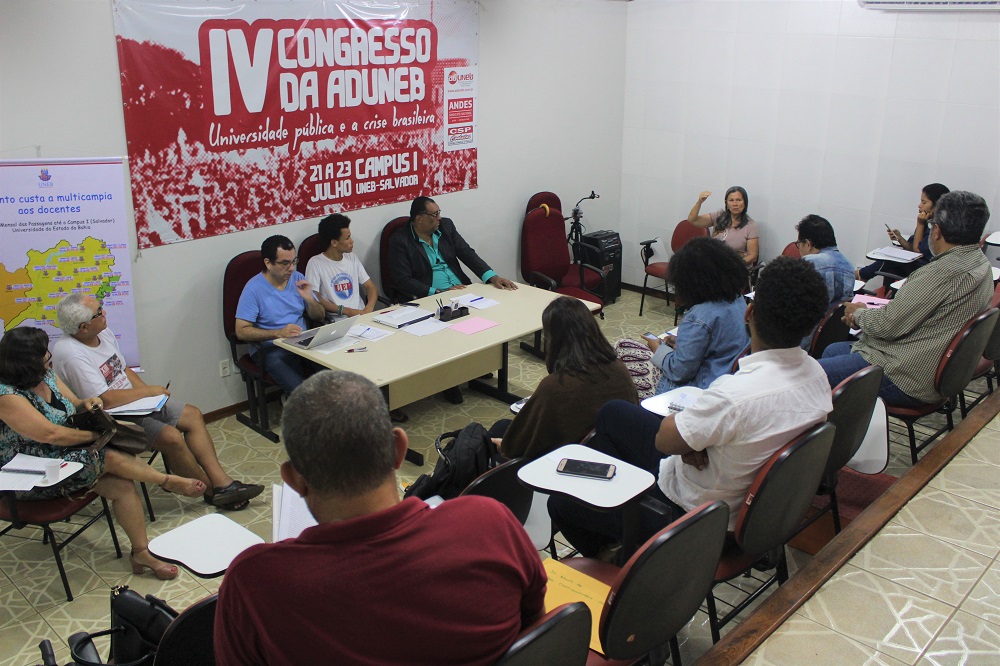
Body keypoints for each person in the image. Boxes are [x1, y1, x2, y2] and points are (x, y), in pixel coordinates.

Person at [214, 370, 546, 666]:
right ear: (398, 449)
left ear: (293, 479)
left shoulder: (254, 583)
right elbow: (536, 628)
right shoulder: (488, 521)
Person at [549, 257, 832, 556]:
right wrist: (698, 439)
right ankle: (623, 504)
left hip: (693, 520)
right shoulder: (817, 376)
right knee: (612, 413)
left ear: (749, 312)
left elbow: (665, 440)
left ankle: (626, 555)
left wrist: (692, 439)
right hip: (754, 510)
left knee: (562, 503)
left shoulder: (734, 395)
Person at [0, 327, 207, 580]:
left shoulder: (45, 374)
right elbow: (50, 435)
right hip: (32, 472)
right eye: (44, 355)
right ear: (27, 361)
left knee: (122, 485)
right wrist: (95, 437)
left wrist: (88, 403)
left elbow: (74, 403)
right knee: (106, 456)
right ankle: (167, 481)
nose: (48, 357)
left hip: (65, 452)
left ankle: (141, 552)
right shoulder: (6, 394)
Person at [53, 293, 263, 510]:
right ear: (84, 327)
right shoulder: (71, 353)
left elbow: (122, 369)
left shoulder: (102, 332)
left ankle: (223, 483)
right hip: (110, 418)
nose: (105, 313)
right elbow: (105, 400)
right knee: (171, 437)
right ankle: (210, 491)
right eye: (99, 312)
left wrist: (149, 395)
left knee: (192, 414)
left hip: (134, 403)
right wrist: (149, 392)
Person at [820, 191, 993, 406]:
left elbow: (887, 325)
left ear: (936, 231)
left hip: (906, 376)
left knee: (811, 379)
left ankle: (838, 431)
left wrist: (858, 314)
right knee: (832, 350)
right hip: (930, 364)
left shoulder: (939, 273)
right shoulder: (982, 265)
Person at [388, 196, 518, 403]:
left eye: (439, 213)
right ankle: (449, 381)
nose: (440, 218)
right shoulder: (399, 241)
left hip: (460, 288)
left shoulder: (446, 227)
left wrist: (492, 277)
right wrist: (437, 292)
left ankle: (474, 367)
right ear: (419, 219)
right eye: (434, 214)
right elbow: (402, 280)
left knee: (485, 317)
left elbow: (467, 253)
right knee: (449, 328)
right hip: (428, 295)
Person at [492, 296, 638, 460]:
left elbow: (518, 447)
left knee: (496, 432)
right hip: (610, 456)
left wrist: (503, 445)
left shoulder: (556, 386)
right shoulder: (619, 369)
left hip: (563, 464)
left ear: (554, 339)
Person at [616, 237, 750, 398]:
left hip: (697, 391)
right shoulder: (738, 299)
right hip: (727, 379)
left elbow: (679, 371)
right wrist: (680, 343)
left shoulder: (699, 316)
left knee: (623, 346)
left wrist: (658, 348)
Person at [234, 234, 326, 396]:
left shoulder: (298, 278)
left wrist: (310, 299)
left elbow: (319, 316)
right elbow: (241, 331)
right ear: (268, 263)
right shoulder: (253, 289)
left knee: (336, 376)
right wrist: (278, 333)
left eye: (294, 261)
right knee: (301, 391)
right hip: (271, 348)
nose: (291, 268)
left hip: (302, 342)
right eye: (285, 263)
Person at [856, 183, 950, 283]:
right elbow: (912, 248)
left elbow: (917, 251)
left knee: (890, 262)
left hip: (926, 271)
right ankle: (862, 275)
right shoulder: (927, 222)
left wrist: (920, 224)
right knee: (890, 259)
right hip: (917, 264)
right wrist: (899, 238)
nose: (919, 205)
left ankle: (860, 275)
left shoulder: (939, 228)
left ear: (937, 205)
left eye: (924, 202)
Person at [305, 213, 379, 321]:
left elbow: (370, 286)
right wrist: (346, 311)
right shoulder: (315, 263)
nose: (352, 241)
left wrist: (368, 308)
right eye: (347, 238)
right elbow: (315, 297)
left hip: (362, 315)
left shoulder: (351, 257)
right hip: (338, 320)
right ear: (334, 242)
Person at [687, 186, 759, 267]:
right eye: (731, 200)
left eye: (738, 200)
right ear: (726, 203)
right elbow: (693, 220)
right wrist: (699, 202)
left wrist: (732, 266)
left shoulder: (751, 225)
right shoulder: (718, 216)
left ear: (745, 203)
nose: (735, 204)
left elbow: (753, 256)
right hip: (714, 264)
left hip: (736, 268)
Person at [795, 214, 856, 305]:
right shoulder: (849, 265)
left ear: (808, 244)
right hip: (836, 319)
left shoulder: (809, 263)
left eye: (798, 244)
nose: (798, 248)